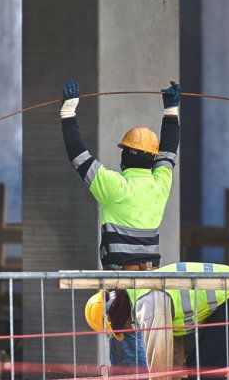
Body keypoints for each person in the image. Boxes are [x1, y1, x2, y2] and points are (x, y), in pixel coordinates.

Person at [60, 79, 181, 367]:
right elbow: (168, 152)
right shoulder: (160, 184)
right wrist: (171, 110)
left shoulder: (113, 186)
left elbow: (78, 156)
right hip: (153, 286)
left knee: (127, 360)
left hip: (121, 285)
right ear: (151, 161)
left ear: (124, 155)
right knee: (151, 360)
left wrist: (68, 111)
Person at [85, 262, 229, 378]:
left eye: (119, 329)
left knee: (204, 368)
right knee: (198, 366)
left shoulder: (147, 303)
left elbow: (159, 356)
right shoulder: (138, 295)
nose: (127, 332)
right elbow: (172, 348)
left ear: (118, 316)